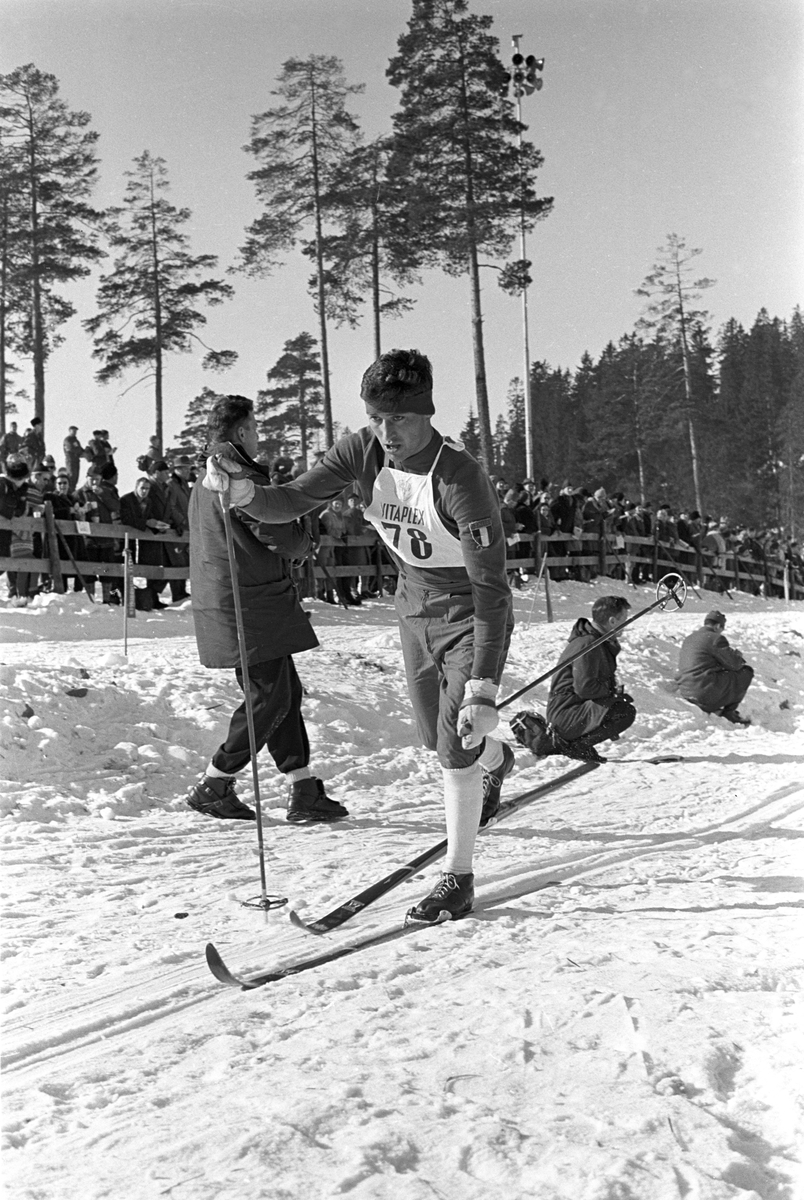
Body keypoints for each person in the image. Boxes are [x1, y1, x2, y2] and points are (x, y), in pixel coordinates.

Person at [203, 350, 516, 925]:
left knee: (454, 742)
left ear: (426, 412)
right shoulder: (361, 450)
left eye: (397, 419)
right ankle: (496, 757)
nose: (385, 432)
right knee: (439, 738)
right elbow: (293, 500)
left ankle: (458, 875)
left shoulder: (460, 478)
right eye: (375, 417)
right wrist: (245, 494)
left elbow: (494, 590)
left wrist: (484, 683)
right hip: (414, 610)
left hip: (470, 612)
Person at [187, 394, 347, 825]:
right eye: (255, 428)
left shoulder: (210, 472)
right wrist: (305, 542)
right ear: (241, 432)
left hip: (242, 597)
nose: (259, 436)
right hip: (248, 601)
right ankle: (215, 782)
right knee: (269, 698)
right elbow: (273, 528)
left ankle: (303, 787)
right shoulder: (235, 473)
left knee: (282, 693)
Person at [515, 595, 636, 764]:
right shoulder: (588, 644)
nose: (627, 624)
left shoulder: (596, 641)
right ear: (613, 621)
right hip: (565, 713)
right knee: (624, 712)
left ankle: (576, 745)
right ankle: (576, 747)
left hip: (573, 709)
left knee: (620, 707)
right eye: (625, 619)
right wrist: (612, 692)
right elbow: (585, 688)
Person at [675, 610, 753, 725]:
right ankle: (729, 712)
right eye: (722, 628)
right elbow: (735, 665)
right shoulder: (716, 638)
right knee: (746, 672)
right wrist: (737, 656)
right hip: (702, 692)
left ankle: (714, 704)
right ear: (717, 626)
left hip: (686, 690)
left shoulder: (690, 638)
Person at [63, 426, 84, 490]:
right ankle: (69, 490)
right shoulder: (67, 440)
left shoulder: (76, 440)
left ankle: (73, 490)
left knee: (75, 478)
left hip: (76, 460)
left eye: (75, 431)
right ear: (69, 431)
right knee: (71, 477)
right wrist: (80, 451)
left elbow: (80, 449)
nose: (75, 432)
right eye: (73, 431)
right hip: (70, 461)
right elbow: (72, 449)